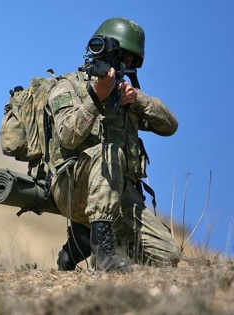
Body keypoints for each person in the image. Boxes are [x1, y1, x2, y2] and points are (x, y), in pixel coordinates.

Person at [46, 17, 182, 272]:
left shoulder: (126, 96)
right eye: (121, 57)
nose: (124, 64)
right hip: (72, 186)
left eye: (130, 61)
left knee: (169, 255)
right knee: (109, 151)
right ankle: (102, 246)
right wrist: (96, 98)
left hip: (117, 196)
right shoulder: (68, 85)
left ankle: (84, 238)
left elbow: (170, 126)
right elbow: (66, 135)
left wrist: (138, 99)